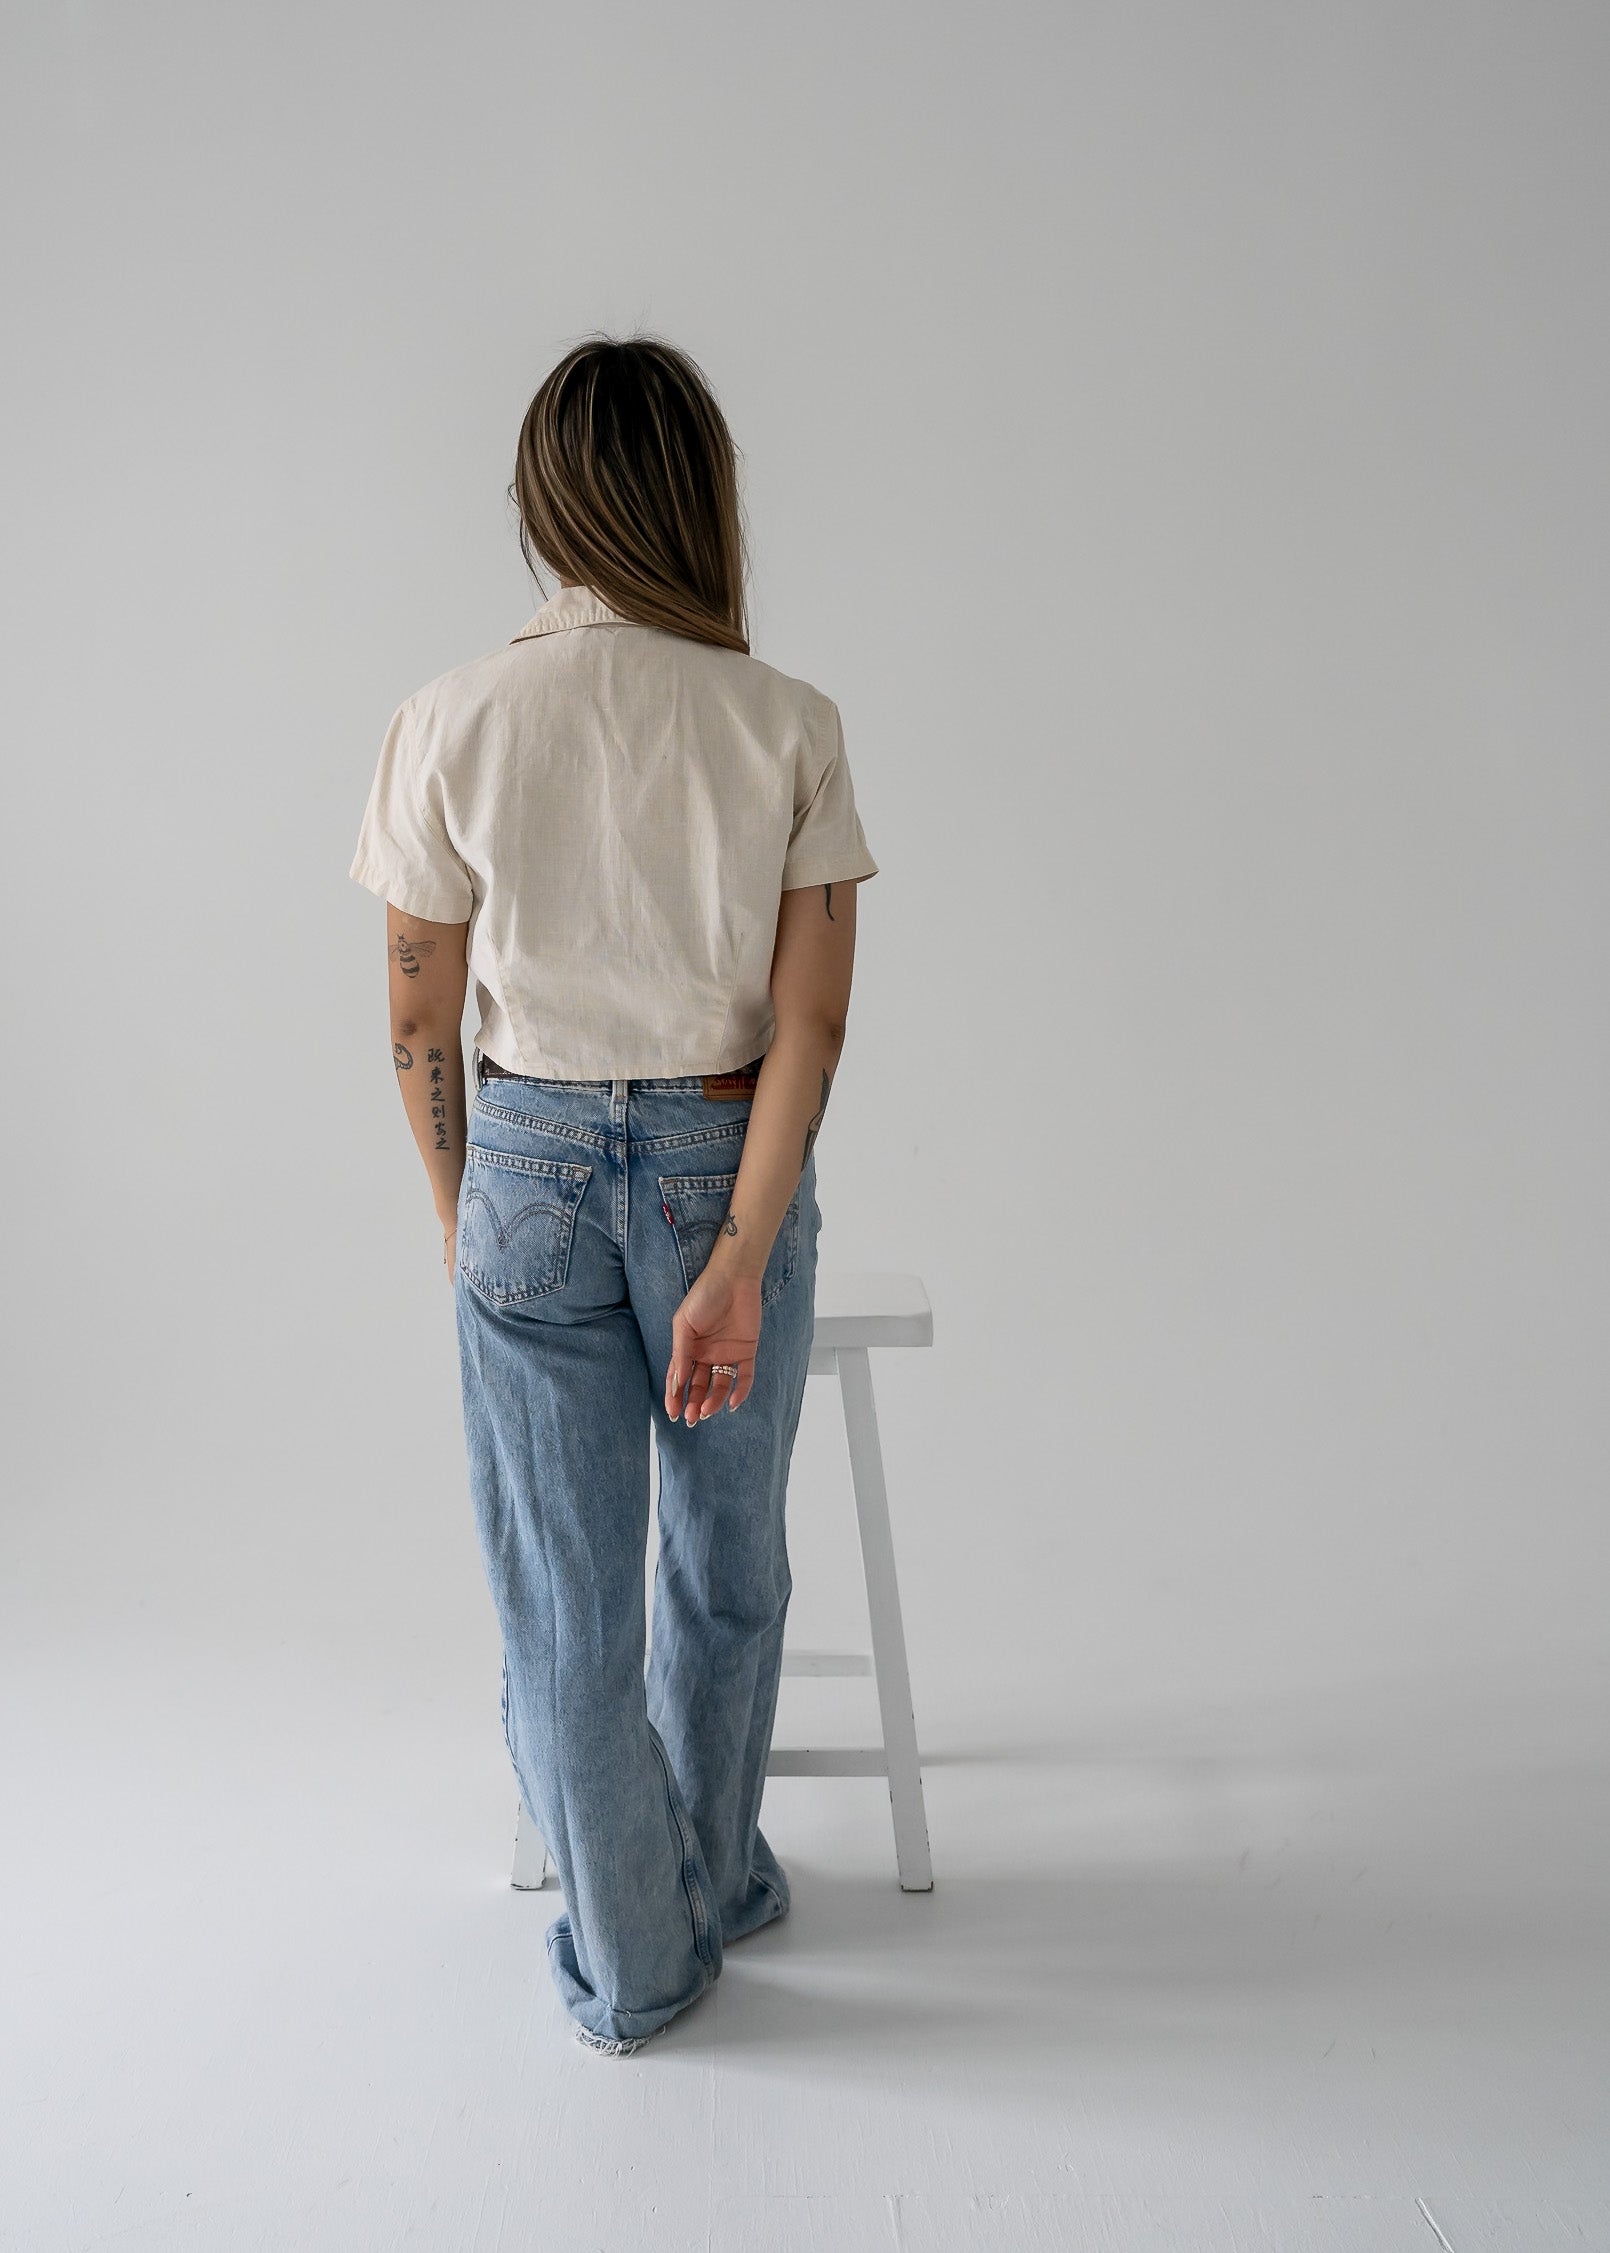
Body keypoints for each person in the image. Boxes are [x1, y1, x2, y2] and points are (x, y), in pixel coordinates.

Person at [348, 334, 878, 2054]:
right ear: (700, 495)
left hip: (527, 1165)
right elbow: (810, 1025)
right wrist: (736, 1252)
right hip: (727, 1161)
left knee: (563, 1600)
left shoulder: (446, 719)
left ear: (543, 501)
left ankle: (642, 1955)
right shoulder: (786, 722)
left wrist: (464, 1211)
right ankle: (708, 1877)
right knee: (726, 1561)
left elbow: (419, 1016)